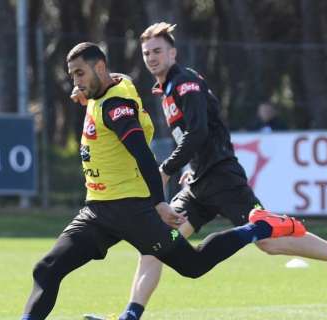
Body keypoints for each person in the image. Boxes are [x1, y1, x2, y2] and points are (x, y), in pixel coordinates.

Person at [84, 23, 327, 320]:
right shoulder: (166, 90)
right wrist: (189, 167)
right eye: (147, 52)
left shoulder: (185, 83)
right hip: (198, 183)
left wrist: (167, 169)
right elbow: (189, 136)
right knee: (155, 244)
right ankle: (130, 317)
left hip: (222, 177)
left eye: (158, 51)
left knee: (270, 243)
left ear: (173, 53)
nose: (151, 57)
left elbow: (199, 132)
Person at [20, 42, 307, 320]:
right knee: (46, 269)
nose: (76, 81)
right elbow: (121, 78)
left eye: (80, 73)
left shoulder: (116, 108)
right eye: (72, 75)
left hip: (133, 211)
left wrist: (159, 202)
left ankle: (258, 228)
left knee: (194, 265)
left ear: (99, 67)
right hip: (97, 212)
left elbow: (144, 156)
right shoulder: (111, 87)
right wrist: (85, 88)